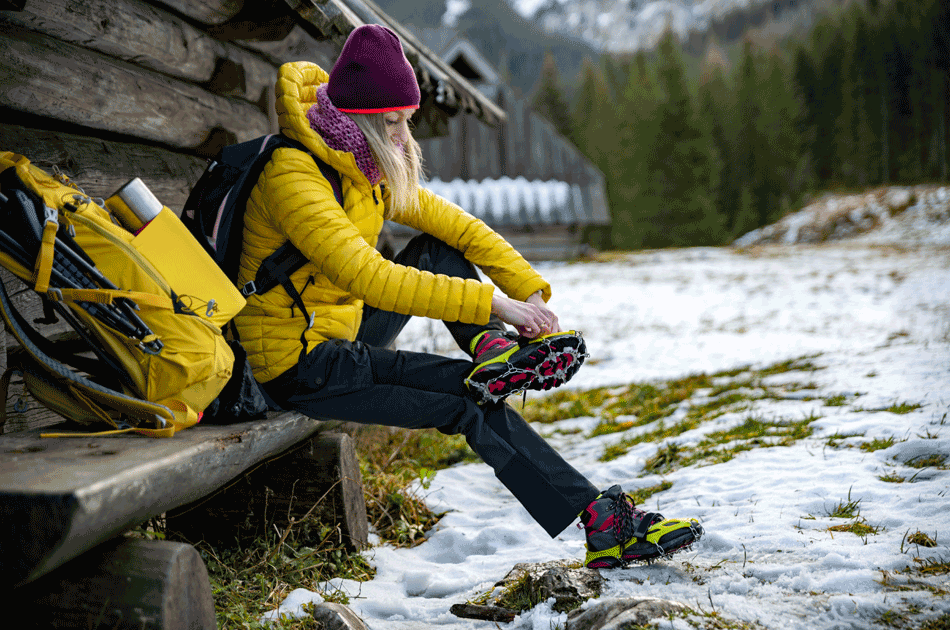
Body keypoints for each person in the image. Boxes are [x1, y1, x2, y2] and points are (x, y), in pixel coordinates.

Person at [234, 24, 703, 568]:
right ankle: (600, 523)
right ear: (359, 118)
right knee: (467, 399)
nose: (402, 138)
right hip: (294, 364)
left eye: (407, 122)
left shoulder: (359, 165)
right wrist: (494, 305)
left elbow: (459, 226)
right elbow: (369, 277)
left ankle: (490, 350)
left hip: (336, 329)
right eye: (392, 123)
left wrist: (528, 291)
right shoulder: (295, 175)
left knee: (438, 249)